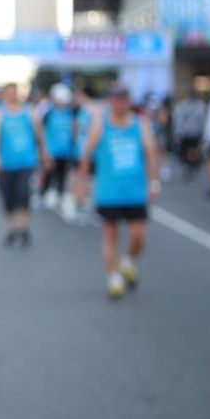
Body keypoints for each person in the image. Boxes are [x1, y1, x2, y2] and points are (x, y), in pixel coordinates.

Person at [76, 82, 160, 299]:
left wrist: (154, 182)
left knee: (138, 236)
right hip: (109, 192)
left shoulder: (141, 124)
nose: (119, 103)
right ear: (110, 101)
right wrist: (82, 184)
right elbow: (86, 154)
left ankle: (128, 260)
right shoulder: (101, 125)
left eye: (123, 99)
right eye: (115, 99)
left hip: (135, 191)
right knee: (111, 234)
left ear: (129, 101)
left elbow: (151, 153)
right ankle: (114, 276)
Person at [0, 82, 51, 246]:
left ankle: (24, 228)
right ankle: (12, 229)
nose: (12, 95)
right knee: (8, 196)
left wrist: (45, 153)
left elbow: (40, 134)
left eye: (14, 92)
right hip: (6, 163)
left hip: (26, 161)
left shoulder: (29, 112)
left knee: (23, 194)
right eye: (8, 92)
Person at [38, 82, 77, 218]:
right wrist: (44, 151)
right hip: (51, 151)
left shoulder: (70, 114)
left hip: (65, 152)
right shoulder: (49, 114)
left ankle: (59, 197)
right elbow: (42, 132)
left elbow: (74, 131)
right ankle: (42, 195)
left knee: (62, 176)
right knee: (48, 174)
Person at [172, 89, 207, 182]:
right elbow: (203, 120)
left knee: (188, 150)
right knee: (192, 150)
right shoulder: (199, 106)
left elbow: (178, 119)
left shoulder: (182, 105)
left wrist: (178, 132)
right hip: (194, 132)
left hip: (187, 132)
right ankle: (191, 165)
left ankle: (190, 165)